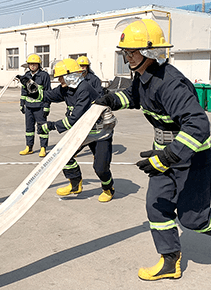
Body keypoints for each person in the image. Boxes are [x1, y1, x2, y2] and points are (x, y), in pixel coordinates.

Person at [94, 19, 211, 280]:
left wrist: (168, 156)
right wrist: (112, 99)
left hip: (192, 158)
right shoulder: (143, 77)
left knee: (194, 221)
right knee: (156, 207)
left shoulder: (170, 83)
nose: (127, 57)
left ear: (150, 52)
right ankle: (170, 262)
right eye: (126, 52)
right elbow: (134, 97)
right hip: (164, 155)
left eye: (132, 51)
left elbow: (199, 126)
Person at [38, 58, 115, 202]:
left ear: (71, 75)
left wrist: (51, 125)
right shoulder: (66, 88)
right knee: (63, 156)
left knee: (100, 168)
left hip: (100, 132)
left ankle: (108, 188)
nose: (59, 80)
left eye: (61, 77)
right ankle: (75, 184)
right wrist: (34, 90)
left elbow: (74, 119)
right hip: (83, 131)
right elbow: (48, 96)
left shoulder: (84, 89)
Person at [18, 54, 51, 157]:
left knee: (42, 128)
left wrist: (46, 106)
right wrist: (22, 103)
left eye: (34, 64)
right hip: (29, 107)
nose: (32, 66)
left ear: (38, 65)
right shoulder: (26, 75)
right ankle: (29, 147)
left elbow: (48, 91)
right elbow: (23, 90)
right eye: (30, 64)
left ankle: (43, 148)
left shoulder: (44, 75)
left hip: (40, 107)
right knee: (29, 128)